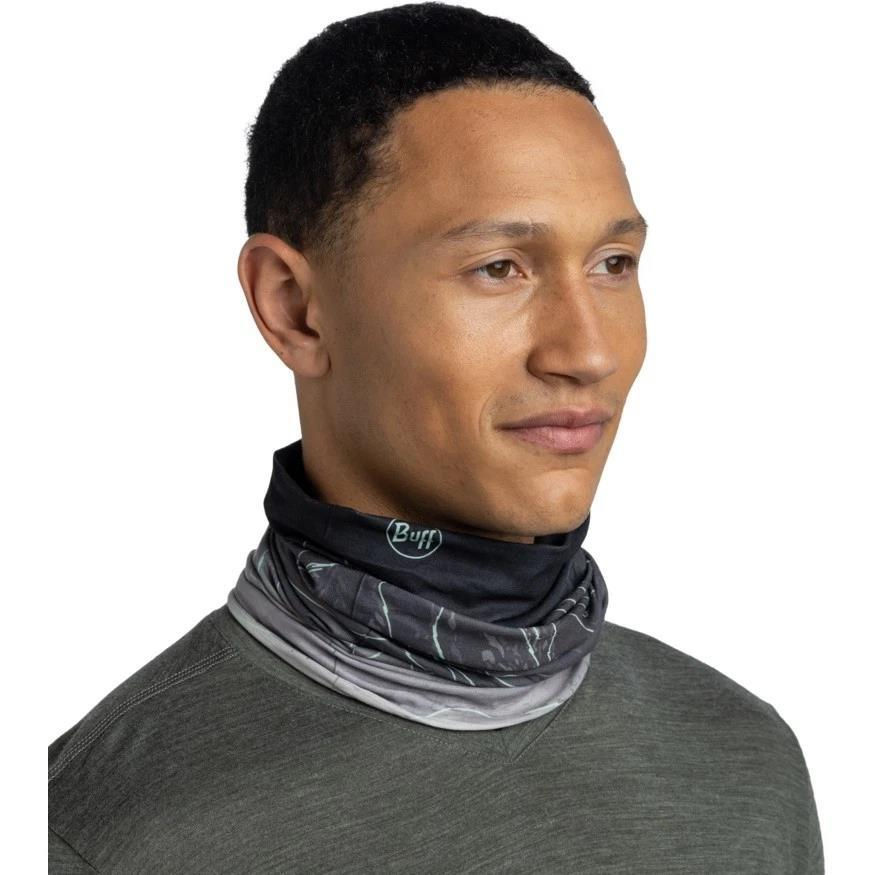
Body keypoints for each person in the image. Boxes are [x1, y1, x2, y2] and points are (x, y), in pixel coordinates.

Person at [48, 3, 824, 872]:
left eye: (612, 264)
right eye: (499, 268)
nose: (588, 352)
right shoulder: (101, 831)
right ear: (293, 307)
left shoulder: (743, 763)